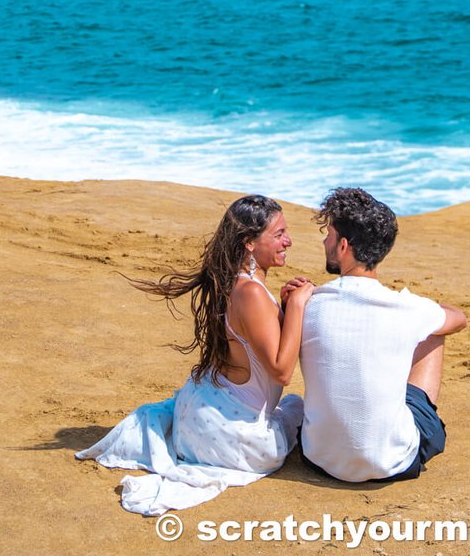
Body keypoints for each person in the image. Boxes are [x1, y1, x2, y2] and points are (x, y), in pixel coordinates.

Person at [77, 194, 312, 514]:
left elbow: (253, 341)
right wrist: (297, 307)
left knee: (291, 408)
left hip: (196, 419)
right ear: (249, 243)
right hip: (226, 437)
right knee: (296, 409)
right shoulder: (252, 292)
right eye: (279, 234)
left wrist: (283, 307)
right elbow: (281, 372)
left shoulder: (233, 281)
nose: (289, 241)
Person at [289, 187, 467, 483]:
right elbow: (459, 319)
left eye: (329, 235)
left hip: (319, 457)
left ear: (343, 246)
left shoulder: (308, 303)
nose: (325, 241)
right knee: (434, 333)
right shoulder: (407, 308)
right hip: (391, 463)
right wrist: (427, 307)